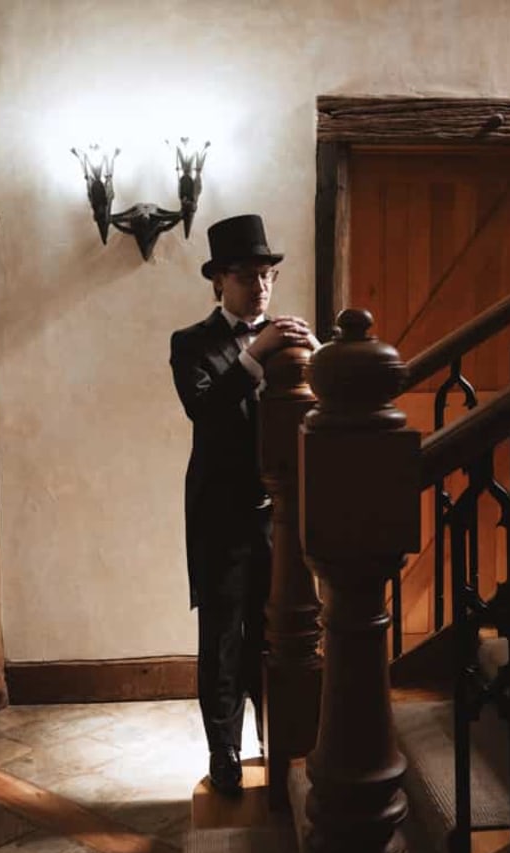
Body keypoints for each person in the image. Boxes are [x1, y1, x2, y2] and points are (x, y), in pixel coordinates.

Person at [169, 214, 314, 795]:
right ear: (219, 282)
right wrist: (255, 355)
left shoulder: (286, 339)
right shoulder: (190, 343)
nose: (260, 286)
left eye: (268, 275)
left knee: (275, 632)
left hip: (281, 516)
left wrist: (317, 354)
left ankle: (278, 740)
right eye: (248, 276)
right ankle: (224, 751)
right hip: (220, 515)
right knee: (224, 636)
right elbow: (205, 410)